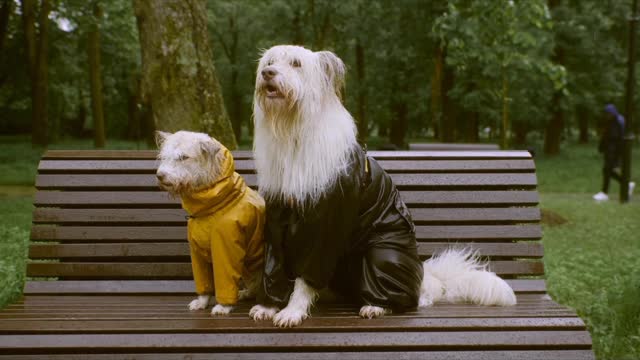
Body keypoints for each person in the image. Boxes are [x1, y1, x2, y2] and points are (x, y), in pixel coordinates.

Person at [593, 104, 635, 201]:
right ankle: (626, 184)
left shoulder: (615, 123)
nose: (607, 115)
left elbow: (613, 139)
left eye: (608, 113)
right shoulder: (614, 122)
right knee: (607, 170)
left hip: (613, 152)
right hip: (611, 151)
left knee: (607, 170)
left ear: (612, 113)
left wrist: (615, 154)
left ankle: (605, 193)